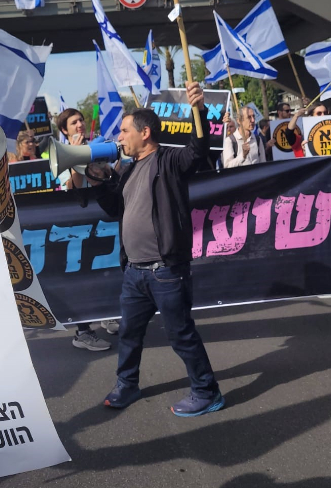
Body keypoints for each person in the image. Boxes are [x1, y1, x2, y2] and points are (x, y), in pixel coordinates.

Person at [87, 82, 225, 417]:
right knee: (130, 334)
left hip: (166, 271)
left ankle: (207, 392)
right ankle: (127, 385)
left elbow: (199, 148)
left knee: (180, 335)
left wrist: (199, 110)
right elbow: (114, 209)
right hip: (135, 272)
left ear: (144, 133)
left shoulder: (170, 160)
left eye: (123, 131)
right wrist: (98, 182)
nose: (119, 137)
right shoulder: (129, 169)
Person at [55, 108, 119, 343]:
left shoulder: (95, 147)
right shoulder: (62, 153)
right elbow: (74, 189)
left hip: (101, 217)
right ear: (65, 130)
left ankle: (107, 314)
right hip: (78, 224)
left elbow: (111, 177)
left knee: (104, 269)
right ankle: (83, 332)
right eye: (73, 123)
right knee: (82, 275)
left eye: (81, 120)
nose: (80, 125)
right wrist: (76, 157)